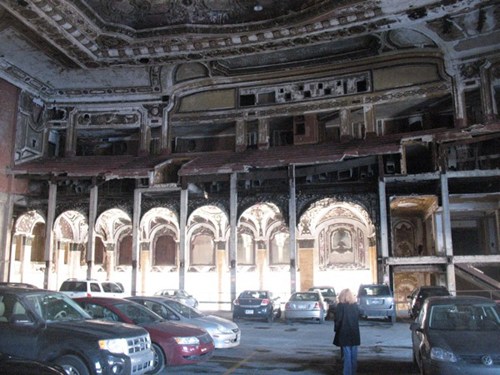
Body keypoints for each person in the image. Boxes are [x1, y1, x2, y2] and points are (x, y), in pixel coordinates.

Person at [333, 288, 360, 375]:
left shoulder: (340, 306)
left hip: (344, 334)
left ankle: (347, 373)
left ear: (342, 296)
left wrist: (336, 329)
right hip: (355, 334)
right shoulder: (355, 306)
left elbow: (338, 320)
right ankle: (353, 372)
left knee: (346, 356)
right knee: (354, 356)